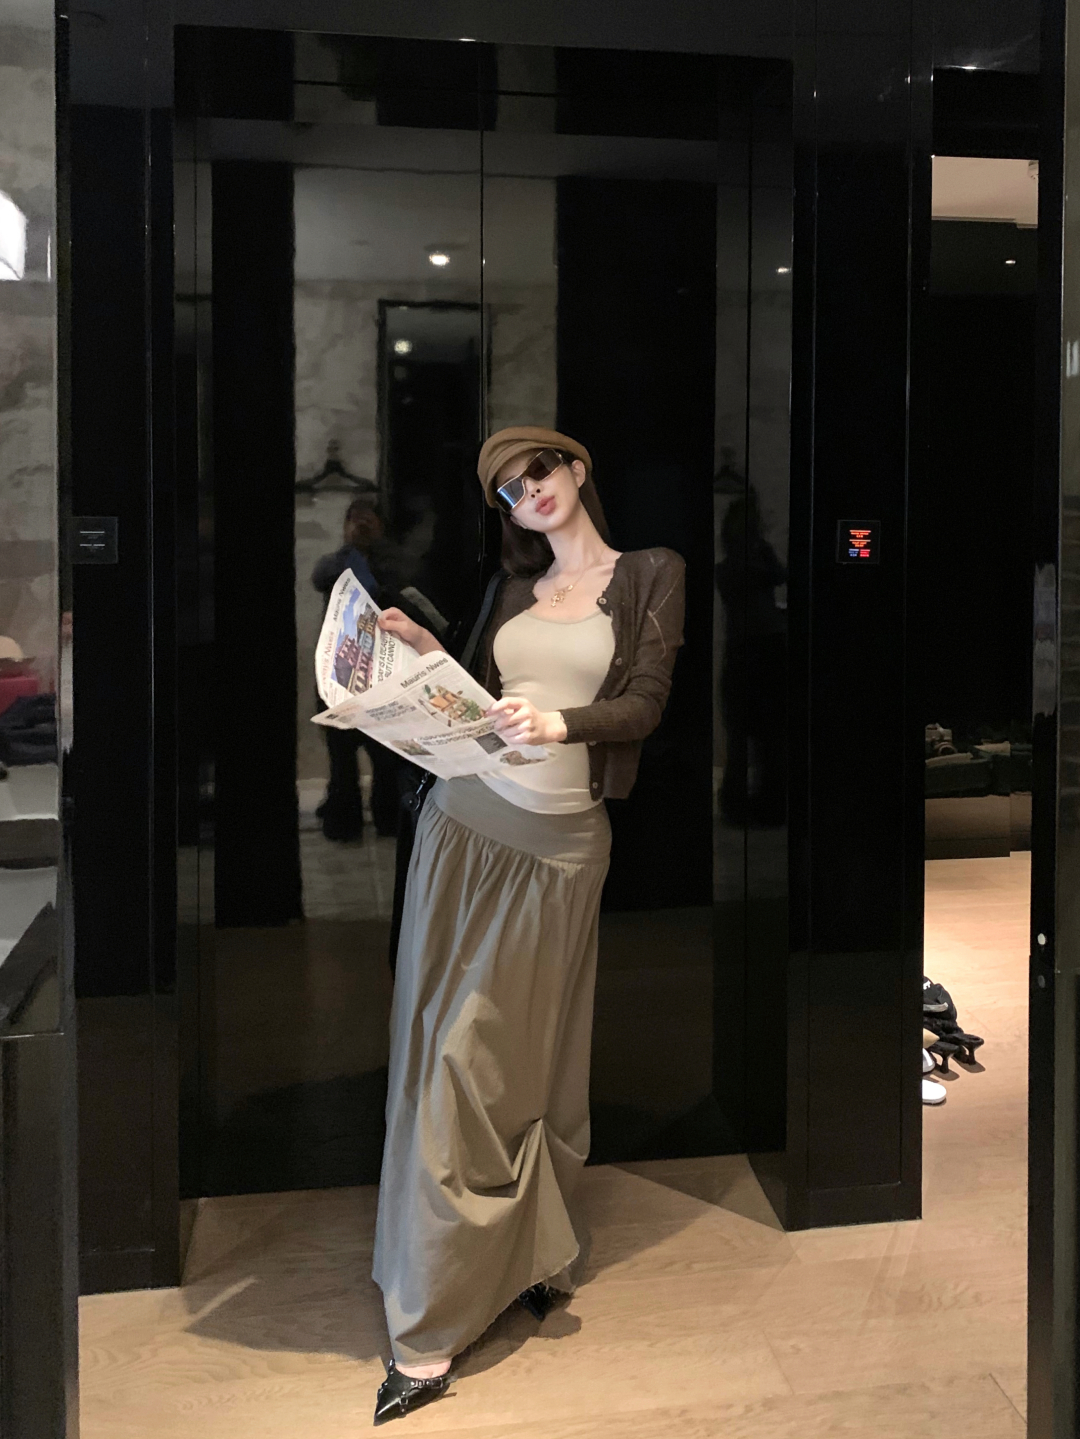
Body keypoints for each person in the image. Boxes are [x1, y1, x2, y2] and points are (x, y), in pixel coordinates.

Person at [368, 425, 686, 1425]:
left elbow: (645, 703)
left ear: (577, 468)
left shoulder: (651, 572)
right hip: (463, 826)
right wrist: (429, 657)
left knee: (535, 1055)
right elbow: (482, 704)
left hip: (559, 848)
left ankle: (532, 1249)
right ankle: (429, 1322)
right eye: (509, 490)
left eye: (538, 471)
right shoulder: (512, 588)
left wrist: (562, 724)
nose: (529, 493)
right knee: (445, 1050)